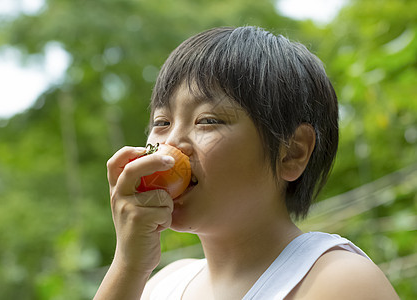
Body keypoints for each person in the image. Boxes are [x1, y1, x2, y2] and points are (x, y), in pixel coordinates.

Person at [94, 26, 399, 299]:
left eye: (207, 120)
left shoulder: (338, 280)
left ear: (291, 152)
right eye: (161, 122)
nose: (171, 143)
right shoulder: (162, 284)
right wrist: (128, 265)